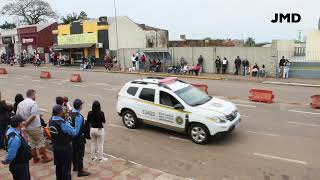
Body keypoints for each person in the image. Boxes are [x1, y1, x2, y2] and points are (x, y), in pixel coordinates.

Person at [16, 89, 53, 164]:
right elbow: (33, 115)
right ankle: (44, 157)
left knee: (32, 143)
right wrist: (26, 123)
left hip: (27, 128)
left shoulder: (20, 104)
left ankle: (35, 158)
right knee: (40, 142)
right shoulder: (33, 103)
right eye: (35, 95)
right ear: (32, 95)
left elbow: (18, 115)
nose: (35, 96)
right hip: (34, 126)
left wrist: (23, 123)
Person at [49, 105, 78, 180]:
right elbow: (74, 132)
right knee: (66, 166)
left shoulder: (51, 120)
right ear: (60, 112)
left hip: (55, 146)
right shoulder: (62, 123)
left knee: (58, 166)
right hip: (64, 147)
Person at [2, 115, 32, 180]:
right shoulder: (15, 138)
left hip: (20, 163)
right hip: (19, 165)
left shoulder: (11, 130)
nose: (23, 122)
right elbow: (11, 153)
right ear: (19, 124)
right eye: (22, 121)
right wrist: (6, 161)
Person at [70, 99, 90, 177]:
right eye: (81, 104)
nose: (82, 106)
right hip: (78, 138)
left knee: (74, 152)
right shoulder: (79, 116)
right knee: (80, 155)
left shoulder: (70, 113)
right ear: (80, 106)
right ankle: (80, 171)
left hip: (72, 137)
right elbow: (76, 131)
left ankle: (75, 167)